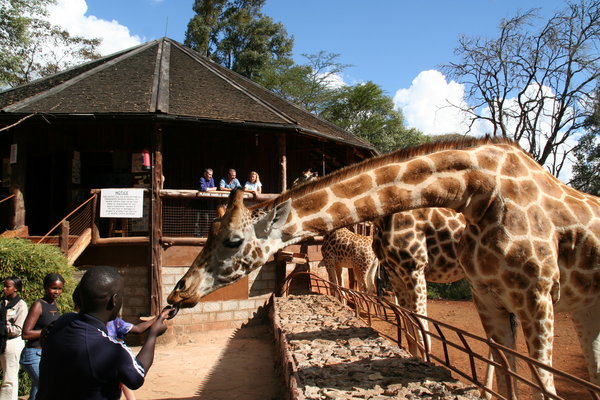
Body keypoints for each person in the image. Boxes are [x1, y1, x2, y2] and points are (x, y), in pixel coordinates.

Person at [37, 266, 170, 400]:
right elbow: (136, 377)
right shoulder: (110, 349)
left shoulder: (63, 322)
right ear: (115, 300)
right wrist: (152, 334)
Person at [20, 273, 64, 400]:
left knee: (37, 390)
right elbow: (25, 333)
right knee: (48, 387)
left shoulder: (53, 305)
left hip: (45, 355)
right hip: (33, 354)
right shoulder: (38, 305)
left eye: (59, 289)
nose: (56, 292)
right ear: (45, 287)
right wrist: (47, 330)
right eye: (53, 288)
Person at [106, 314, 167, 400]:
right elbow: (136, 378)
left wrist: (160, 316)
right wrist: (153, 333)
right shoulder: (113, 322)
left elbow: (137, 329)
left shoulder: (114, 322)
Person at [0, 276, 27, 400]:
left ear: (15, 288)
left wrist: (3, 327)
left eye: (7, 286)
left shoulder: (21, 306)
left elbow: (17, 329)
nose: (4, 288)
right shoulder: (3, 302)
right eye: (4, 286)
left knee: (9, 378)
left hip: (12, 343)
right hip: (2, 341)